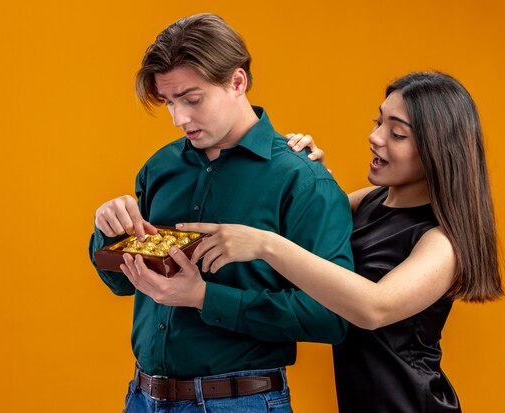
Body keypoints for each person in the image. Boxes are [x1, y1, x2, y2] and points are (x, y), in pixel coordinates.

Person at [179, 72, 504, 412]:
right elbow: (312, 234)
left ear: (438, 150)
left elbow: (373, 308)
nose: (375, 137)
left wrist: (266, 245)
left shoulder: (441, 241)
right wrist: (308, 175)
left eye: (397, 133)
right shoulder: (368, 202)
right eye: (378, 122)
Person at [88, 13, 354, 413]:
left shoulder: (303, 182)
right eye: (170, 102)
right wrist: (108, 230)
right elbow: (121, 284)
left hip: (241, 401)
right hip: (142, 398)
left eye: (192, 100)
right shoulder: (159, 168)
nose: (180, 119)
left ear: (237, 81)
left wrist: (205, 297)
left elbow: (332, 316)